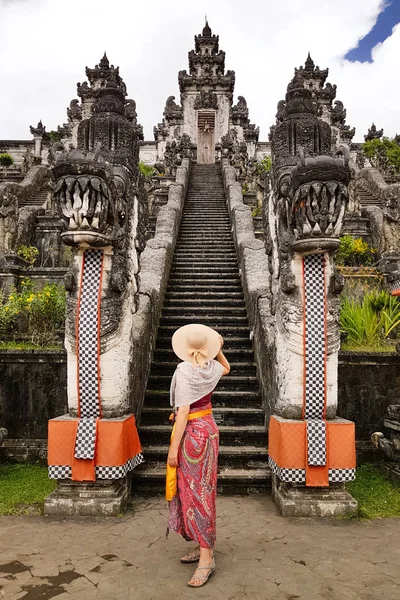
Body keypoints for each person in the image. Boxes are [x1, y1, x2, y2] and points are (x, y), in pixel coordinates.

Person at [166, 323, 230, 588]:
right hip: (210, 431)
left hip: (193, 435)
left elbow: (182, 412)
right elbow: (226, 368)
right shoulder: (211, 368)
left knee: (197, 493)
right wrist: (220, 351)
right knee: (201, 490)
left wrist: (172, 448)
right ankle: (203, 545)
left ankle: (206, 558)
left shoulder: (184, 371)